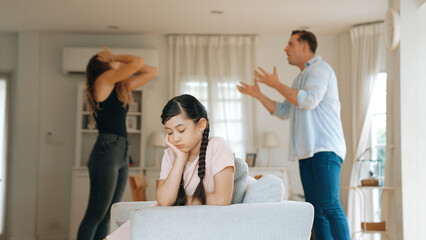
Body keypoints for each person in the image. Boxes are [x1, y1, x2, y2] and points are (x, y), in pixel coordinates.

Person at [237, 30, 350, 240]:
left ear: (304, 46)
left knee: (330, 204)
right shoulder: (300, 78)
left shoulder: (320, 70)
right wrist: (259, 94)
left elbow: (308, 101)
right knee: (316, 209)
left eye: (290, 44)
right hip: (307, 152)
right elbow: (284, 110)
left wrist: (275, 84)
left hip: (325, 148)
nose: (285, 49)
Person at [105, 94, 235, 240]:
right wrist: (180, 158)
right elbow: (165, 201)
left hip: (188, 221)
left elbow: (223, 199)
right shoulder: (170, 154)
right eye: (170, 132)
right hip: (164, 216)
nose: (175, 138)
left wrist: (183, 200)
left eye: (181, 130)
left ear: (201, 124)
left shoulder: (217, 146)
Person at [77, 47, 157, 240]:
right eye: (105, 56)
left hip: (121, 150)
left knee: (107, 215)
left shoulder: (120, 86)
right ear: (100, 64)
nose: (110, 55)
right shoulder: (102, 81)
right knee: (95, 214)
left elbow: (151, 71)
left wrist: (115, 60)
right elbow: (138, 62)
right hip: (107, 149)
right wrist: (115, 57)